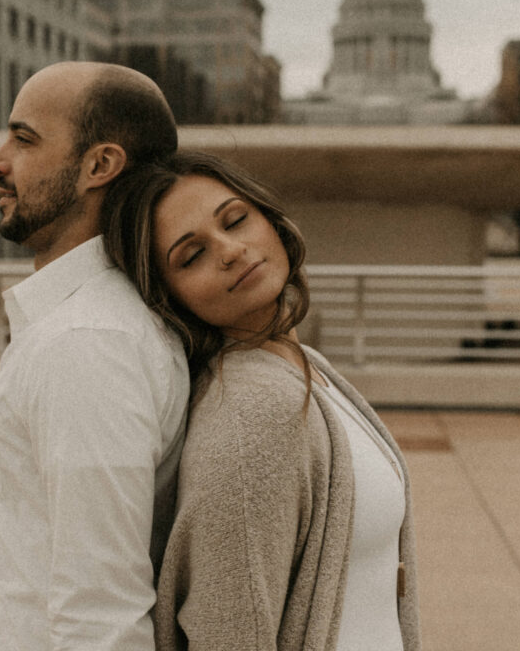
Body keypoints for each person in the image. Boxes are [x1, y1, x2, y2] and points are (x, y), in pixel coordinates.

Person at [101, 151, 422, 651]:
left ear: (270, 220)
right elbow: (227, 634)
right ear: (170, 297)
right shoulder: (252, 416)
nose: (230, 250)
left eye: (236, 220)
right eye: (192, 256)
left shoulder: (303, 366)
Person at [0, 62, 190, 651]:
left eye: (23, 139)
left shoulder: (88, 344)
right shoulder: (90, 327)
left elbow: (102, 617)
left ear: (99, 165)